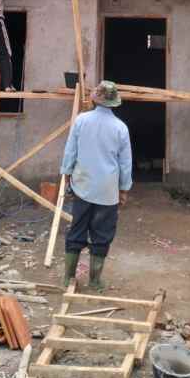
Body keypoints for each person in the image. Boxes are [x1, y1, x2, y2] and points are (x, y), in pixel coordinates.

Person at [60, 80, 133, 289]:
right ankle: (94, 281)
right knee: (102, 235)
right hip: (107, 191)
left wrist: (67, 175)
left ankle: (68, 278)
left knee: (77, 230)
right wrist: (124, 189)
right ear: (114, 103)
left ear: (95, 100)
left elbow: (70, 151)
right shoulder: (121, 128)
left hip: (82, 186)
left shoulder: (82, 121)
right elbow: (125, 163)